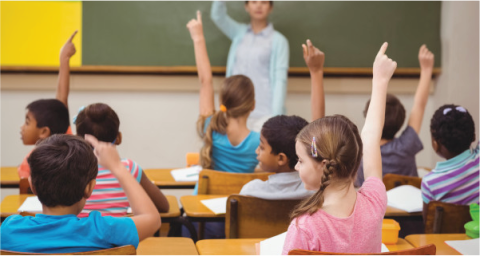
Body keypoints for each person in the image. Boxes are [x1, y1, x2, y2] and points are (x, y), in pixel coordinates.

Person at [282, 43, 396, 254]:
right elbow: (371, 138)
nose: (296, 167)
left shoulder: (304, 228)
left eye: (300, 160)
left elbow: (370, 138)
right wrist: (380, 81)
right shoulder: (375, 200)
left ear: (323, 165)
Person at [0, 134, 161, 252]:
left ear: (32, 186)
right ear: (90, 188)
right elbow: (152, 219)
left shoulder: (9, 230)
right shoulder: (104, 230)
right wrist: (117, 167)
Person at [240, 39, 325, 200]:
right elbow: (316, 136)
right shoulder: (314, 190)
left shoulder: (250, 192)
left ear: (281, 158)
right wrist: (316, 71)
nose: (256, 151)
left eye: (262, 147)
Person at [356, 45, 434, 186]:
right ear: (400, 121)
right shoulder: (406, 145)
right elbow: (419, 106)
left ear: (369, 117)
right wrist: (427, 70)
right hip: (410, 208)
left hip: (376, 208)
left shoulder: (362, 152)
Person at [75, 103, 169, 217]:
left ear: (78, 139)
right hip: (118, 234)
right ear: (119, 138)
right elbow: (163, 206)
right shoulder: (129, 168)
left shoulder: (68, 168)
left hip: (78, 234)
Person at [211, 0, 289, 131]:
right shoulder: (238, 33)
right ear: (246, 6)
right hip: (235, 111)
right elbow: (217, 16)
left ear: (271, 7)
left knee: (261, 151)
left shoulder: (279, 41)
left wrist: (276, 117)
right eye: (253, 1)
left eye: (264, 2)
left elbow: (280, 81)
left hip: (264, 114)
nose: (258, 5)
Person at [18, 31, 77, 178]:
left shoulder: (30, 163)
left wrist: (64, 59)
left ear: (44, 132)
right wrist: (64, 59)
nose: (22, 127)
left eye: (27, 122)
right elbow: (61, 100)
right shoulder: (68, 147)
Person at [421, 104, 480, 217]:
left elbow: (428, 225)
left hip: (449, 235)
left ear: (435, 144)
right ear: (473, 137)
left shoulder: (430, 183)